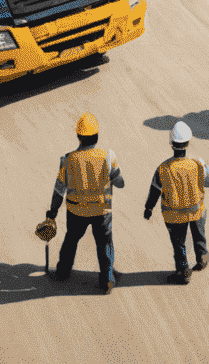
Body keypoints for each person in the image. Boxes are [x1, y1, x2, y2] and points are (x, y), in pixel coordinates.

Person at [46, 111, 123, 292]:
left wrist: (52, 213)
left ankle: (63, 272)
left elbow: (59, 191)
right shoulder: (108, 156)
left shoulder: (68, 159)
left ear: (79, 136)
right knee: (104, 243)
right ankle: (107, 279)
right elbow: (120, 183)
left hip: (76, 212)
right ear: (97, 135)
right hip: (101, 211)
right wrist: (111, 177)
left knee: (71, 240)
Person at [143, 121, 209, 284]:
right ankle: (202, 258)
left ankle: (183, 272)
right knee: (199, 235)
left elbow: (155, 191)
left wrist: (148, 208)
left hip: (174, 216)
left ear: (171, 144)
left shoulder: (163, 168)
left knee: (179, 244)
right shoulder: (197, 163)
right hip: (196, 211)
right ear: (188, 142)